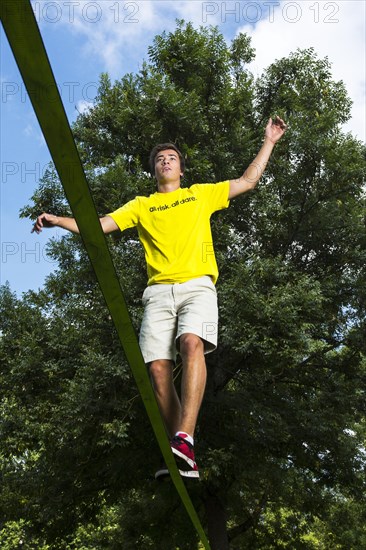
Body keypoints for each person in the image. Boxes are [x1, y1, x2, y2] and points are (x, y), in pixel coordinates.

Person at [33, 116, 286, 479]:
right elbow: (101, 224)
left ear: (181, 169)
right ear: (155, 171)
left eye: (171, 158)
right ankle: (183, 453)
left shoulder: (199, 194)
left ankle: (185, 436)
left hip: (197, 285)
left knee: (191, 343)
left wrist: (269, 141)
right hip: (156, 294)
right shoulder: (141, 205)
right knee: (157, 371)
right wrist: (59, 219)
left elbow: (247, 181)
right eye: (159, 159)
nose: (165, 161)